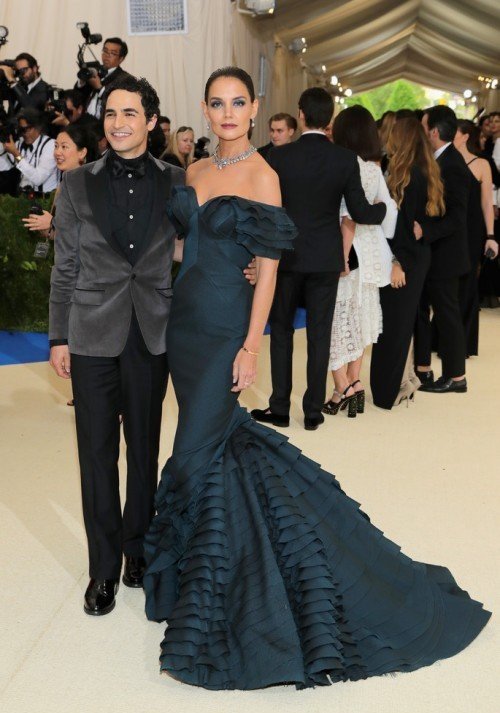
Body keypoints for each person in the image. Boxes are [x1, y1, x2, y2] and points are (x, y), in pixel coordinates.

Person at [143, 66, 490, 690]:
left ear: (255, 110)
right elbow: (186, 248)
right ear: (205, 107)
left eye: (238, 103)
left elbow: (271, 269)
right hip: (186, 325)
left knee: (194, 449)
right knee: (210, 446)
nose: (227, 113)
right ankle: (209, 566)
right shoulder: (194, 171)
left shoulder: (264, 175)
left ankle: (218, 585)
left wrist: (251, 345)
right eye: (217, 103)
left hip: (226, 329)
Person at [48, 75, 186, 616]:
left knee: (144, 451)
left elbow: (194, 250)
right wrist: (59, 335)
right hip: (90, 332)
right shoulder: (75, 183)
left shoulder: (177, 181)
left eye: (130, 113)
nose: (119, 123)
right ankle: (103, 569)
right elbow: (65, 266)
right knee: (96, 455)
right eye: (110, 113)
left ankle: (138, 551)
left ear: (151, 121)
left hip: (151, 331)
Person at [251, 87, 387, 431]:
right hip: (326, 258)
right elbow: (360, 212)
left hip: (286, 255)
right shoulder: (344, 159)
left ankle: (280, 407)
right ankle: (312, 412)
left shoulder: (278, 156)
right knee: (319, 334)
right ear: (329, 119)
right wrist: (382, 208)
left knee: (281, 331)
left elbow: (264, 210)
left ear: (300, 114)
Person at [324, 106, 397, 417]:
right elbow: (389, 214)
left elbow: (346, 218)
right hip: (372, 255)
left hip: (347, 252)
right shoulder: (372, 169)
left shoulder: (339, 165)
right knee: (361, 320)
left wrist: (340, 256)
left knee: (337, 320)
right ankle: (354, 382)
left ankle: (342, 387)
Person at [370, 118, 445, 408]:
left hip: (405, 258)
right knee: (400, 324)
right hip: (416, 256)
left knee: (392, 327)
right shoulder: (425, 169)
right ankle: (403, 383)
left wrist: (398, 262)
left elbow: (405, 225)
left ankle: (387, 393)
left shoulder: (410, 174)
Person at [415, 106, 471, 394]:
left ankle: (456, 376)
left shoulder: (452, 164)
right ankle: (424, 369)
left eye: (423, 127)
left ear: (434, 132)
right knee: (430, 312)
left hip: (446, 256)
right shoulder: (441, 159)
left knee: (447, 315)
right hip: (435, 253)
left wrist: (426, 230)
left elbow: (457, 217)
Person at [454, 120, 497, 355]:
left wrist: (491, 235)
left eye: (455, 132)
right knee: (447, 284)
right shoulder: (443, 161)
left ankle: (464, 342)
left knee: (468, 281)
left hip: (472, 231)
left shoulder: (482, 164)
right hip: (449, 229)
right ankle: (443, 336)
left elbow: (487, 203)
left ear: (465, 136)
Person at [21, 124, 99, 235]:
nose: (57, 152)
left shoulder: (90, 187)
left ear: (82, 153)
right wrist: (44, 227)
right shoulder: (63, 184)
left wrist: (52, 223)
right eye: (56, 146)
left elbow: (90, 234)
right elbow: (57, 234)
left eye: (64, 147)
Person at [3, 107, 58, 195]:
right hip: (22, 195)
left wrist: (16, 154)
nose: (24, 133)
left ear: (38, 127)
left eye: (27, 129)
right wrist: (4, 139)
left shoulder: (50, 145)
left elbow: (38, 179)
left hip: (44, 198)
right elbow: (5, 166)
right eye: (21, 129)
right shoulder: (20, 142)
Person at [80, 37, 132, 119]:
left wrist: (99, 88)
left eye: (113, 53)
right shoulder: (95, 70)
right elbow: (79, 95)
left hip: (104, 122)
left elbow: (118, 103)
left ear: (121, 59)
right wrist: (82, 80)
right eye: (105, 51)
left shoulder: (125, 78)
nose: (107, 55)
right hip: (85, 120)